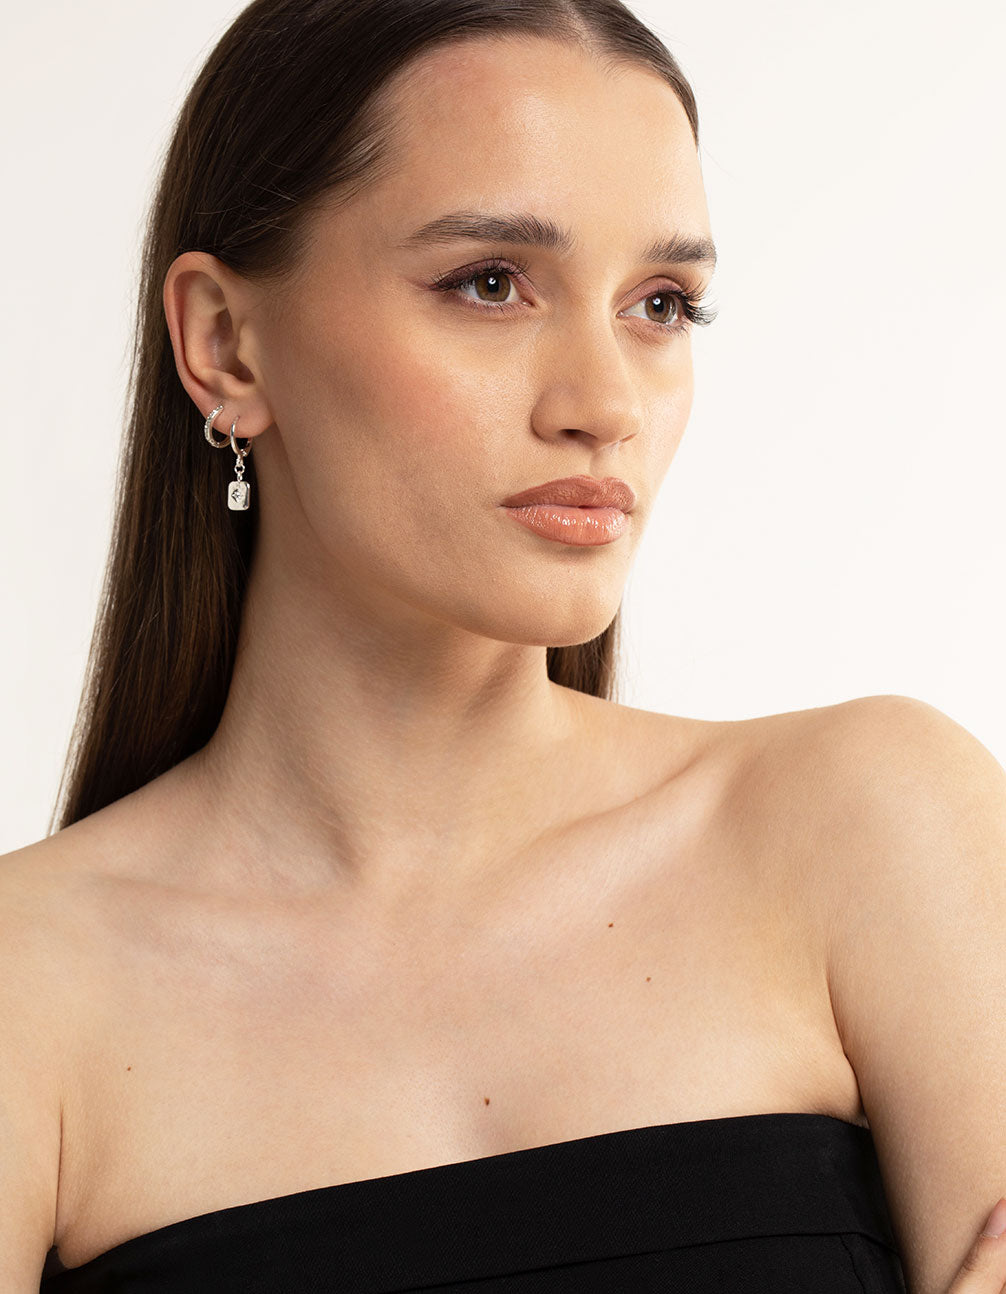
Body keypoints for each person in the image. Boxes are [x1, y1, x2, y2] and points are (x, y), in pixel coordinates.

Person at [2, 0, 1004, 1290]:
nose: (605, 404)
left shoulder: (867, 828)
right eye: (491, 283)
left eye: (662, 304)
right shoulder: (33, 995)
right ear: (224, 343)